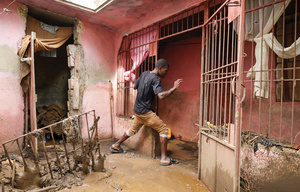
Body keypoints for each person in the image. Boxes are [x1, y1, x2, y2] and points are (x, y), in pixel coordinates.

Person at [110, 58, 183, 166]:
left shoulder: (144, 73)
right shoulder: (156, 79)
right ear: (160, 68)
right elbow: (161, 96)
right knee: (163, 129)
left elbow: (135, 86)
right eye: (165, 70)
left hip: (137, 110)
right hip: (144, 112)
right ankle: (164, 158)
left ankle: (116, 145)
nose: (166, 72)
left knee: (133, 130)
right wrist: (174, 88)